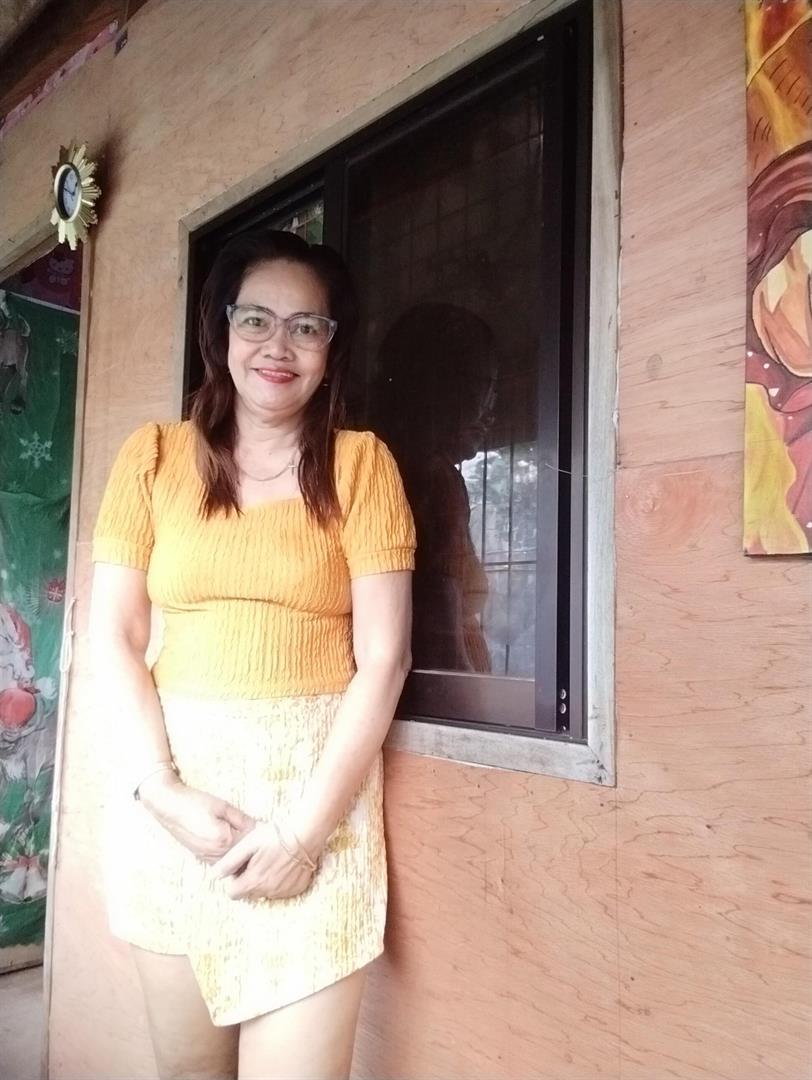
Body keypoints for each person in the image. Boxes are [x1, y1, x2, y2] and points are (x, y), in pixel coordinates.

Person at [89, 229, 415, 1080]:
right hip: (175, 813)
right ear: (221, 329)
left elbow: (385, 658)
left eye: (308, 327)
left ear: (332, 346)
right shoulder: (151, 458)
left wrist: (302, 836)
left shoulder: (362, 467)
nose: (279, 346)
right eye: (257, 319)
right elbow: (114, 635)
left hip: (314, 817)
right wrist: (159, 790)